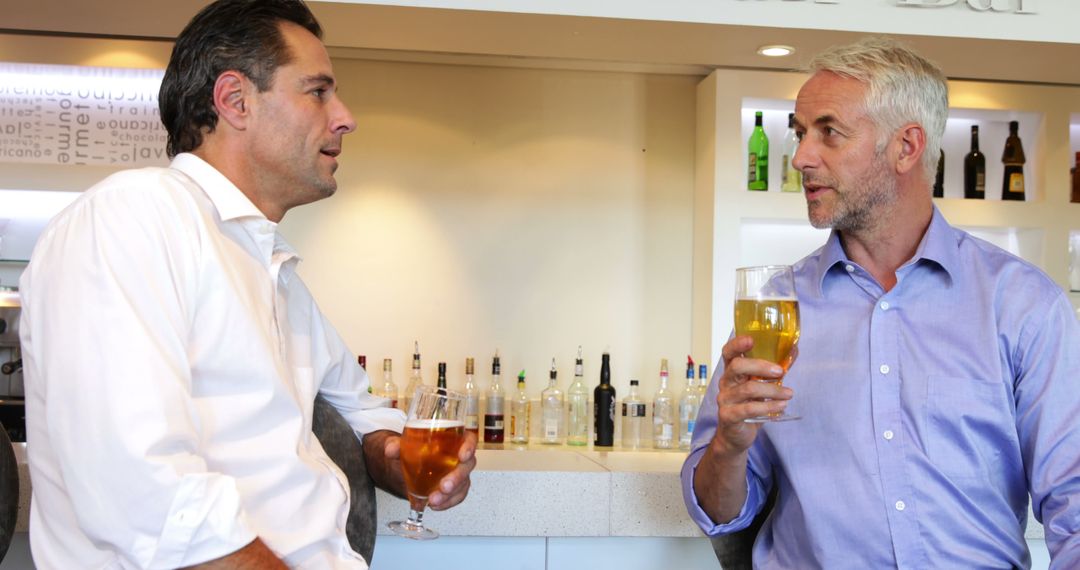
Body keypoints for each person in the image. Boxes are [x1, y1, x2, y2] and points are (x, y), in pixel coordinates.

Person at [18, 1, 476, 568]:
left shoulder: (274, 271)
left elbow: (365, 415)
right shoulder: (129, 218)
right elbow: (137, 491)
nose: (345, 118)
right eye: (318, 92)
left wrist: (403, 459)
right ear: (235, 100)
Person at [682, 37, 1080, 568]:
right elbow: (718, 512)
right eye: (801, 133)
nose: (801, 157)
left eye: (829, 132)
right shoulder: (776, 307)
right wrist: (728, 446)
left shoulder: (1022, 304)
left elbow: (1074, 503)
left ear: (906, 147)